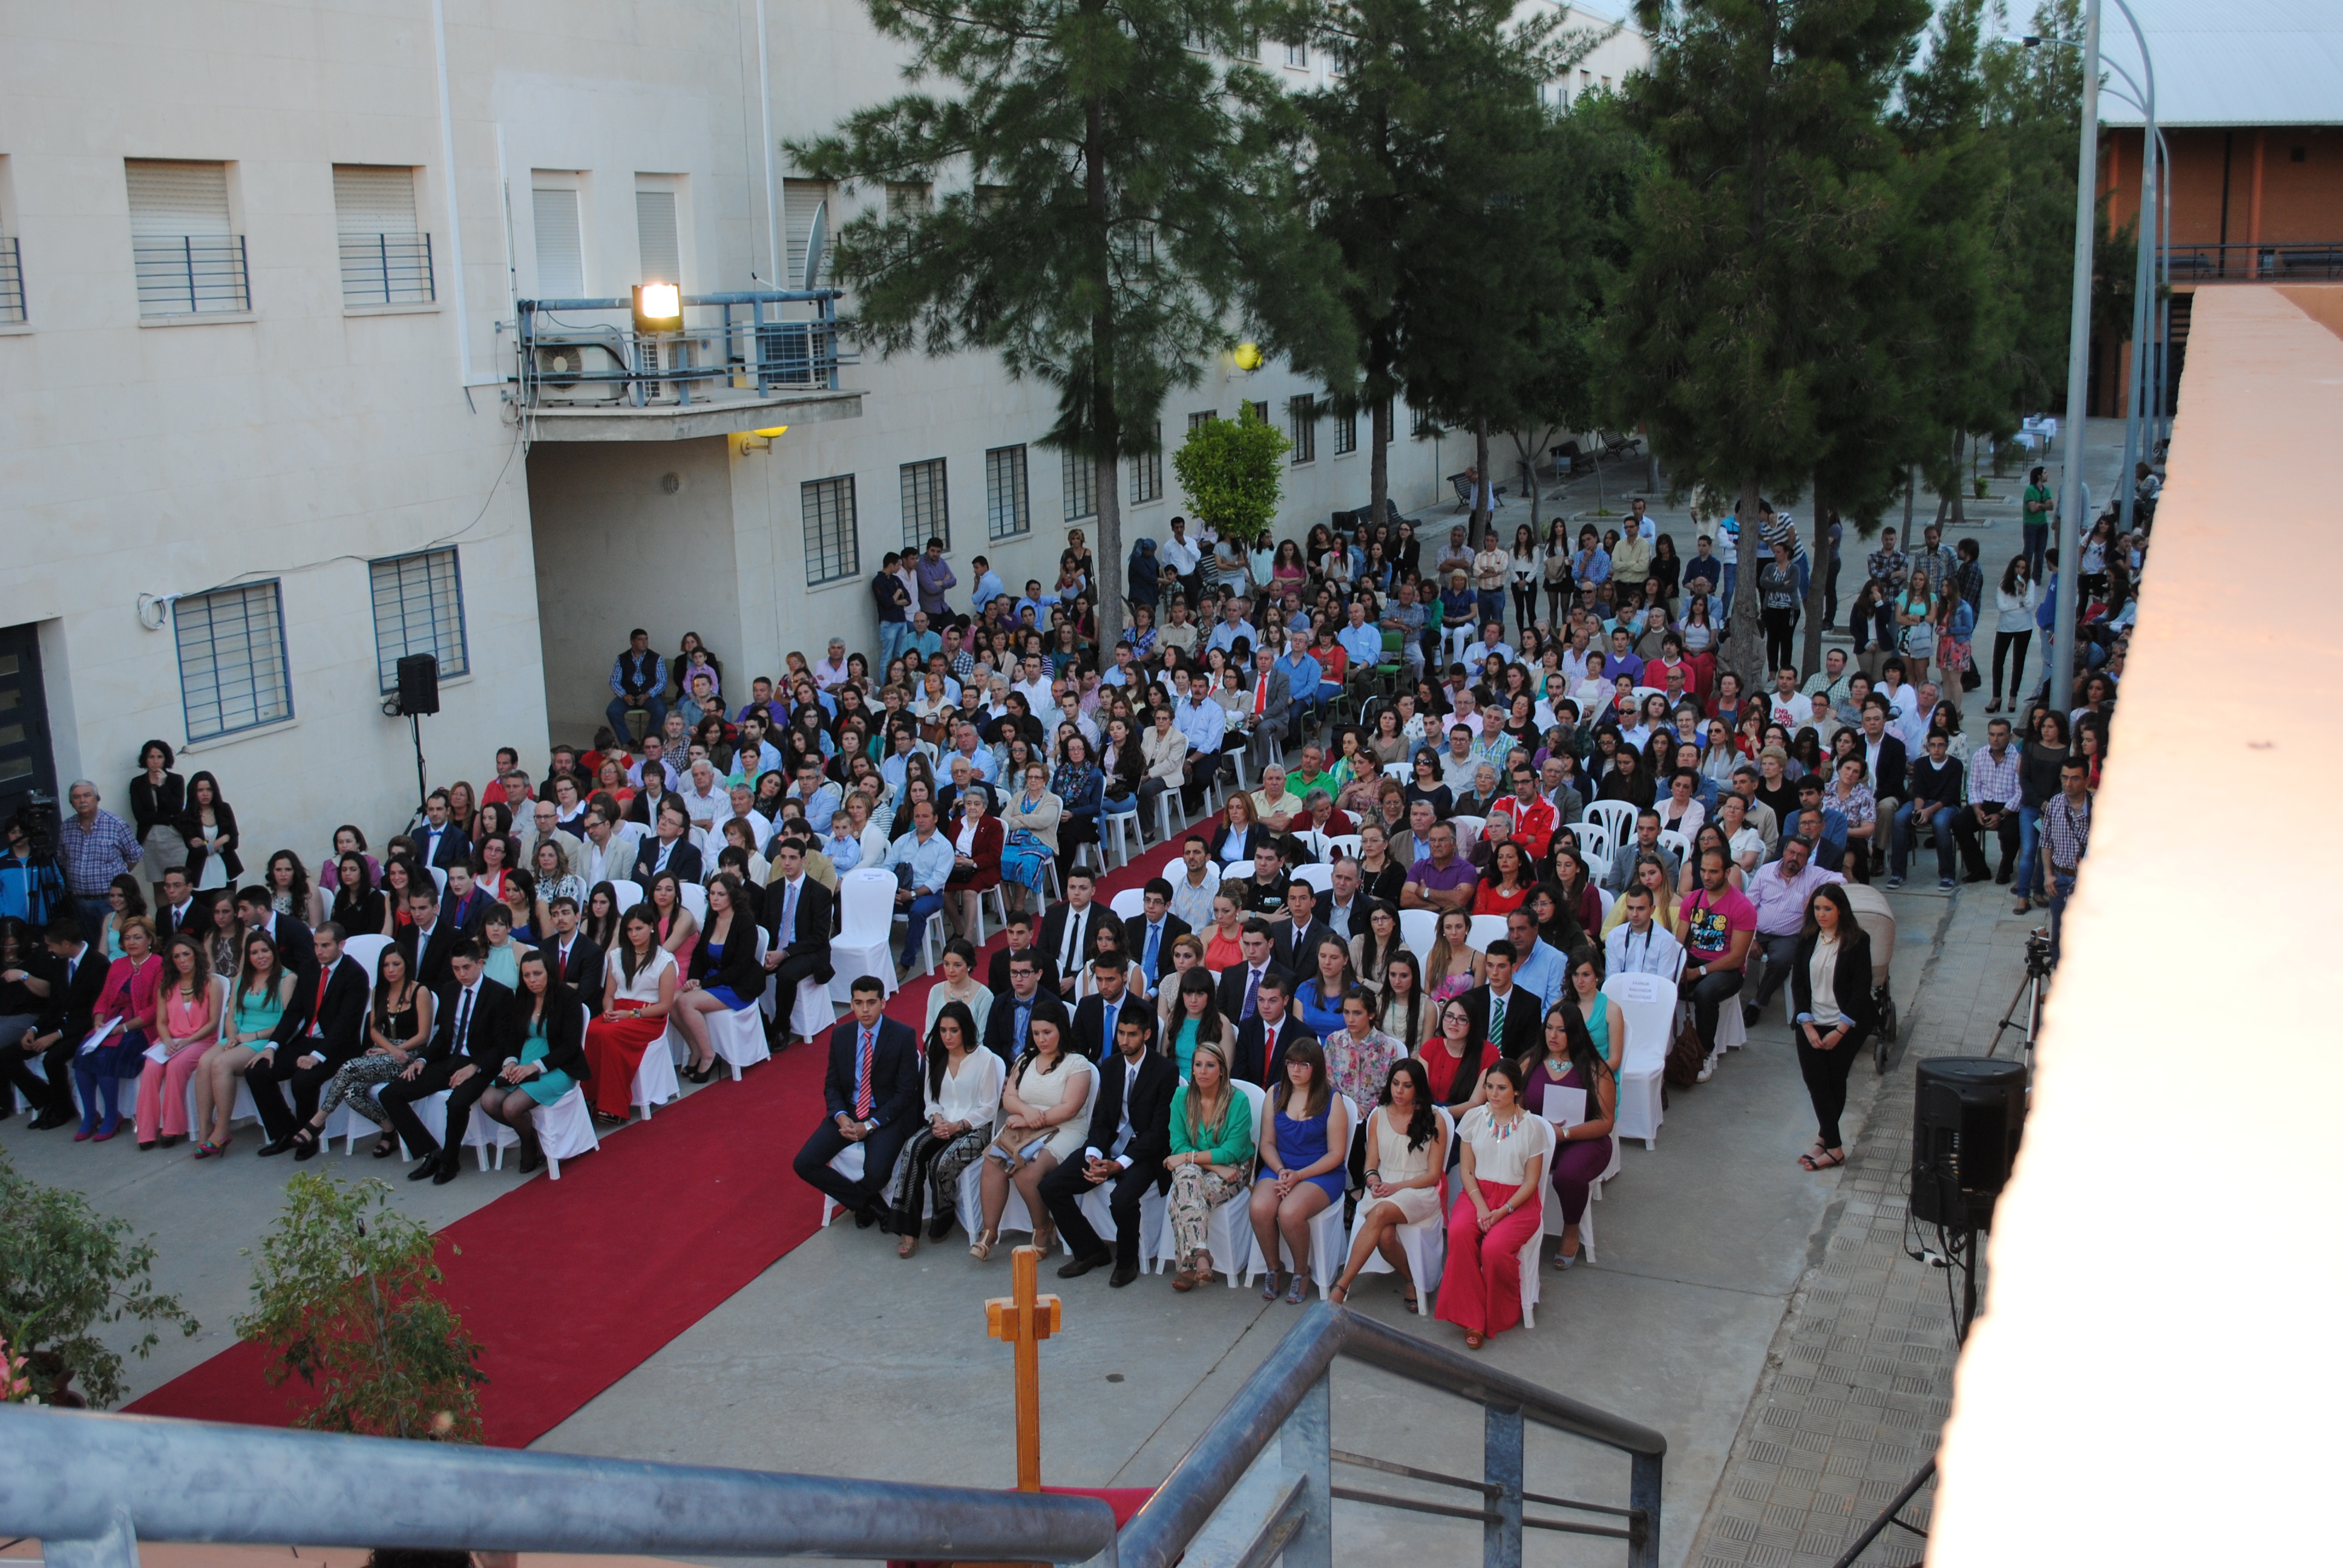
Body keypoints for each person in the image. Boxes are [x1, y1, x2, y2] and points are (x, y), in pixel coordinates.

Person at [1042, 1005, 1178, 1287]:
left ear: (1147, 1035)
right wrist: (1093, 1154)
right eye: (1121, 1033)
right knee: (1051, 1186)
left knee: (1122, 1199)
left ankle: (1127, 1261)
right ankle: (1090, 1249)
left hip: (1145, 1153)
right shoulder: (1112, 1065)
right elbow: (1103, 1118)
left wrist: (1119, 1164)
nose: (1124, 1041)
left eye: (1132, 1034)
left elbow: (1159, 1133)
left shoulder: (1166, 1071)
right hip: (1109, 1145)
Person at [1436, 1059, 1552, 1349]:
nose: (1494, 1094)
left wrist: (1503, 1211)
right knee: (1459, 1233)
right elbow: (1467, 1171)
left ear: (1516, 1091)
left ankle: (1498, 1309)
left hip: (1517, 1202)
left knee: (1494, 1249)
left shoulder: (1532, 1127)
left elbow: (1531, 1182)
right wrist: (1482, 1206)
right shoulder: (1474, 1118)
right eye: (1489, 1087)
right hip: (1477, 1194)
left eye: (1502, 1088)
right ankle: (1472, 1317)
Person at [376, 942, 513, 1186]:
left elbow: (502, 1044)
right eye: (456, 968)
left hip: (480, 1064)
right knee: (390, 1094)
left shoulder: (500, 994)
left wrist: (474, 1067)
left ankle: (450, 1161)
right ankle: (431, 1152)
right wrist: (423, 1059)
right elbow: (443, 1035)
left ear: (480, 964)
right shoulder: (450, 990)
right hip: (449, 1059)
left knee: (457, 1103)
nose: (461, 974)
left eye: (466, 968)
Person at [796, 975, 926, 1229]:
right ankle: (868, 1204)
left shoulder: (903, 1035)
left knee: (877, 1172)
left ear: (883, 1003)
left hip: (886, 1113)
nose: (865, 1009)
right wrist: (840, 1116)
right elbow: (832, 1084)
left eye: (871, 1002)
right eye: (859, 1003)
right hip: (850, 1110)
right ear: (851, 1004)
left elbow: (905, 1093)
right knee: (804, 1163)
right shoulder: (841, 1035)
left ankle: (861, 1203)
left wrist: (870, 1125)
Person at [971, 1011, 1096, 1258]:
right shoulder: (1025, 1058)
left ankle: (1042, 1228)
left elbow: (1070, 1108)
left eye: (1047, 1032)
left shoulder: (1078, 1064)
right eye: (1036, 1033)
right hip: (1024, 1124)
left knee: (1028, 1172)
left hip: (1065, 1128)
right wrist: (1028, 1114)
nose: (1041, 1039)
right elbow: (1009, 1097)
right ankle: (989, 1232)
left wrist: (1030, 1119)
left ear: (1061, 1030)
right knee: (992, 1162)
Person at [885, 998, 1004, 1256]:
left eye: (954, 1030)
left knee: (941, 1163)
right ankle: (908, 1229)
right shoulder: (935, 1054)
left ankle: (943, 1217)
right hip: (941, 1123)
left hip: (975, 1128)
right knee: (912, 1148)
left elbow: (989, 1107)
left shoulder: (985, 1058)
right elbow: (930, 1099)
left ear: (966, 1030)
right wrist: (938, 1120)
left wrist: (959, 1125)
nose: (947, 1037)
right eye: (943, 1030)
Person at [1328, 1057, 1449, 1310]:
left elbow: (1433, 1175)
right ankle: (1410, 1280)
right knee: (1385, 1235)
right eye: (1395, 1083)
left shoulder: (1435, 1118)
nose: (1399, 1091)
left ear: (1418, 1088)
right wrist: (1373, 1182)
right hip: (1384, 1187)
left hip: (1419, 1190)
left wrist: (1395, 1188)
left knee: (1381, 1212)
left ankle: (1342, 1286)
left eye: (1407, 1085)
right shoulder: (1378, 1115)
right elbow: (1371, 1165)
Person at [247, 926, 371, 1154]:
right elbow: (294, 1012)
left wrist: (317, 1056)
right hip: (307, 1040)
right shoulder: (309, 968)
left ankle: (308, 1136)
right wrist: (272, 1046)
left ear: (341, 945)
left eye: (325, 946)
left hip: (338, 1047)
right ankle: (285, 1132)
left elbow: (347, 1024)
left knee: (303, 1080)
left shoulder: (355, 974)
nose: (319, 951)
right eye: (316, 945)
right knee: (257, 1070)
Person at [1248, 1039, 1351, 1304]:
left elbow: (1336, 1154)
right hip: (1282, 1166)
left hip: (1320, 1172)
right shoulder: (1276, 1093)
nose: (1296, 1070)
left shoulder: (1332, 1099)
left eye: (1304, 1065)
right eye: (1291, 1063)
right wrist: (1282, 1170)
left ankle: (1302, 1271)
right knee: (1259, 1207)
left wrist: (1299, 1176)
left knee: (1290, 1212)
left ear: (1316, 1067)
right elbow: (1267, 1143)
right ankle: (1274, 1268)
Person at [1789, 884, 1877, 1172]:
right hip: (1812, 1021)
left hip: (1846, 1024)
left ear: (1841, 910)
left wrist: (1840, 1031)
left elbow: (1861, 989)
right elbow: (1798, 983)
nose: (1821, 914)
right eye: (1817, 908)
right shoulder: (1807, 937)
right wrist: (1807, 1024)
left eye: (1828, 908)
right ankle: (1831, 1144)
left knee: (1835, 1081)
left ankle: (1830, 1145)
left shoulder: (1858, 941)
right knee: (1816, 1081)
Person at [1523, 1001, 1617, 1271]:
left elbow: (1605, 1122)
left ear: (1574, 1032)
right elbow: (1514, 1105)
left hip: (1585, 1140)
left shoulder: (1595, 1069)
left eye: (1561, 1030)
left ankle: (1571, 1229)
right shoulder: (1530, 1062)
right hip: (1539, 1137)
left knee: (1568, 1176)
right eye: (1549, 1028)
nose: (1553, 1035)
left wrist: (1564, 1133)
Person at [1163, 1039, 1256, 1289]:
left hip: (1234, 1170)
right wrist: (1212, 1165)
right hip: (1211, 1168)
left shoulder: (1238, 1101)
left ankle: (1188, 1266)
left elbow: (1231, 1151)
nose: (1203, 1071)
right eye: (1198, 1065)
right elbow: (1178, 1143)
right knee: (1187, 1177)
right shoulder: (1181, 1097)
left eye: (1210, 1065)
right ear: (1192, 1069)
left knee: (1182, 1194)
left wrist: (1187, 1158)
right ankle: (1201, 1255)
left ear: (1222, 1070)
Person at [582, 906, 677, 1125]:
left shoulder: (664, 961)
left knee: (609, 1036)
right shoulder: (616, 956)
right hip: (619, 1011)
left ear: (651, 927)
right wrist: (608, 1010)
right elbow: (609, 995)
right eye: (629, 930)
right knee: (590, 1031)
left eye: (639, 929)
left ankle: (612, 1104)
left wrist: (630, 1015)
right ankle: (590, 1095)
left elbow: (665, 1006)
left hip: (648, 1016)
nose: (634, 934)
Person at [133, 933, 225, 1149]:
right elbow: (161, 1022)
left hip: (201, 1040)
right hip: (171, 1040)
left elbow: (213, 1022)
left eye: (186, 954)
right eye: (177, 956)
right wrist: (167, 1041)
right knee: (151, 1067)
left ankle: (172, 1128)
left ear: (195, 955)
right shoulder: (166, 986)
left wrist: (187, 1042)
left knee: (176, 1066)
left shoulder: (211, 983)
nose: (182, 960)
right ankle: (146, 1131)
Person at [668, 872, 763, 1082]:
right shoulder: (713, 918)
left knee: (685, 1002)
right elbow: (699, 955)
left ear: (733, 896)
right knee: (672, 1000)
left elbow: (741, 967)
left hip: (738, 984)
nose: (715, 898)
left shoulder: (745, 923)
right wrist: (693, 979)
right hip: (715, 978)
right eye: (712, 893)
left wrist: (703, 984)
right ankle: (696, 1050)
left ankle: (709, 1056)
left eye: (721, 894)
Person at [1742, 835, 1843, 1024]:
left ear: (1808, 858)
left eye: (1801, 855)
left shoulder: (1813, 874)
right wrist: (1751, 938)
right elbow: (1748, 908)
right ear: (1785, 852)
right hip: (1757, 931)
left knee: (1782, 961)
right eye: (1791, 852)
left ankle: (1757, 1003)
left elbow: (1841, 879)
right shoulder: (1766, 871)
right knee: (1732, 948)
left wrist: (1817, 892)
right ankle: (1729, 998)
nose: (1794, 858)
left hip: (1787, 936)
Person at [1678, 849, 1755, 1062]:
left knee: (1705, 993)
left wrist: (1698, 972)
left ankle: (1704, 1054)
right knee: (1659, 983)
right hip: (1694, 960)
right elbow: (1679, 944)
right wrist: (1678, 968)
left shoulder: (1742, 906)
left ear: (1727, 872)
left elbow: (1738, 958)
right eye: (1703, 870)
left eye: (1713, 871)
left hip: (1727, 968)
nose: (1706, 876)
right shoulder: (1692, 900)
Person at [58, 781, 142, 943]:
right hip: (80, 903)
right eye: (76, 797)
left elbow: (134, 856)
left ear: (97, 799)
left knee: (118, 944)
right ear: (71, 802)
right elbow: (62, 860)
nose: (82, 800)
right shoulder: (66, 827)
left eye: (87, 795)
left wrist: (118, 880)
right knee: (92, 946)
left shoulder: (116, 824)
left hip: (111, 901)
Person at [1889, 732, 1965, 891]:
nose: (1937, 749)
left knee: (1940, 823)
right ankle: (1897, 873)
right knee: (1900, 818)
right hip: (1923, 802)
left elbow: (1949, 796)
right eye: (1933, 745)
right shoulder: (1921, 763)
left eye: (1941, 745)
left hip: (1947, 805)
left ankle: (1947, 874)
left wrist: (1928, 811)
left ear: (1947, 746)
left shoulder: (1955, 765)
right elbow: (1919, 791)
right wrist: (1919, 810)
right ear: (1928, 746)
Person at [1951, 717, 2024, 884]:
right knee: (1959, 823)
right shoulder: (1980, 755)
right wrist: (1977, 810)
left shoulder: (2018, 758)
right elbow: (1973, 786)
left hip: (2008, 806)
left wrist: (2001, 815)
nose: (1995, 739)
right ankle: (1978, 869)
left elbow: (2021, 793)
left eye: (2000, 735)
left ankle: (2006, 868)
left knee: (2011, 833)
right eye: (1992, 735)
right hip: (1984, 802)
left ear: (2010, 736)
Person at [981, 948, 1072, 1066]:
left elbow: (1061, 1046)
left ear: (1038, 974)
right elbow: (991, 1042)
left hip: (1041, 1067)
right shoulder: (1000, 1002)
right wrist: (1005, 1070)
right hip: (1006, 1067)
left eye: (1025, 973)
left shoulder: (1055, 1006)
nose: (1018, 979)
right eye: (1014, 972)